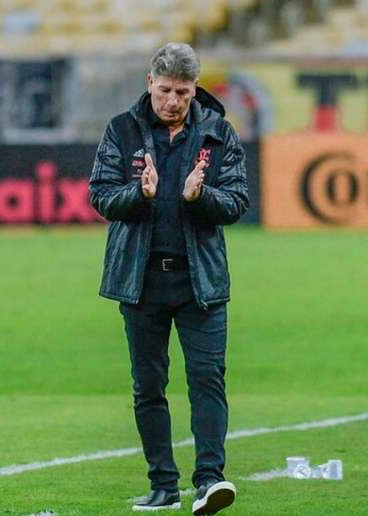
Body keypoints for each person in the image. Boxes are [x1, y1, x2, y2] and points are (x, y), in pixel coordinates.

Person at [88, 42, 249, 514]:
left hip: (200, 283)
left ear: (195, 88)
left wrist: (200, 198)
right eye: (164, 90)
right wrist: (139, 193)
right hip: (140, 283)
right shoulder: (121, 131)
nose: (172, 100)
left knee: (207, 378)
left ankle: (209, 481)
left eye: (182, 91)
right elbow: (100, 196)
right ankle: (162, 484)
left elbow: (237, 202)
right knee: (148, 386)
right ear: (149, 84)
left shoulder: (219, 133)